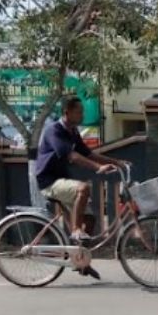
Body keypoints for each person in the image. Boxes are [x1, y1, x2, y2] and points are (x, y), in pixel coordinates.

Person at [36, 96, 127, 279]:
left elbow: (88, 153)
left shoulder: (73, 131)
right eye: (79, 111)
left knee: (91, 219)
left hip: (62, 180)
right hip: (49, 182)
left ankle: (81, 263)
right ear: (66, 112)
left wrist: (117, 162)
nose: (82, 114)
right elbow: (73, 157)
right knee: (83, 188)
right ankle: (76, 230)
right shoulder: (54, 131)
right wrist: (98, 168)